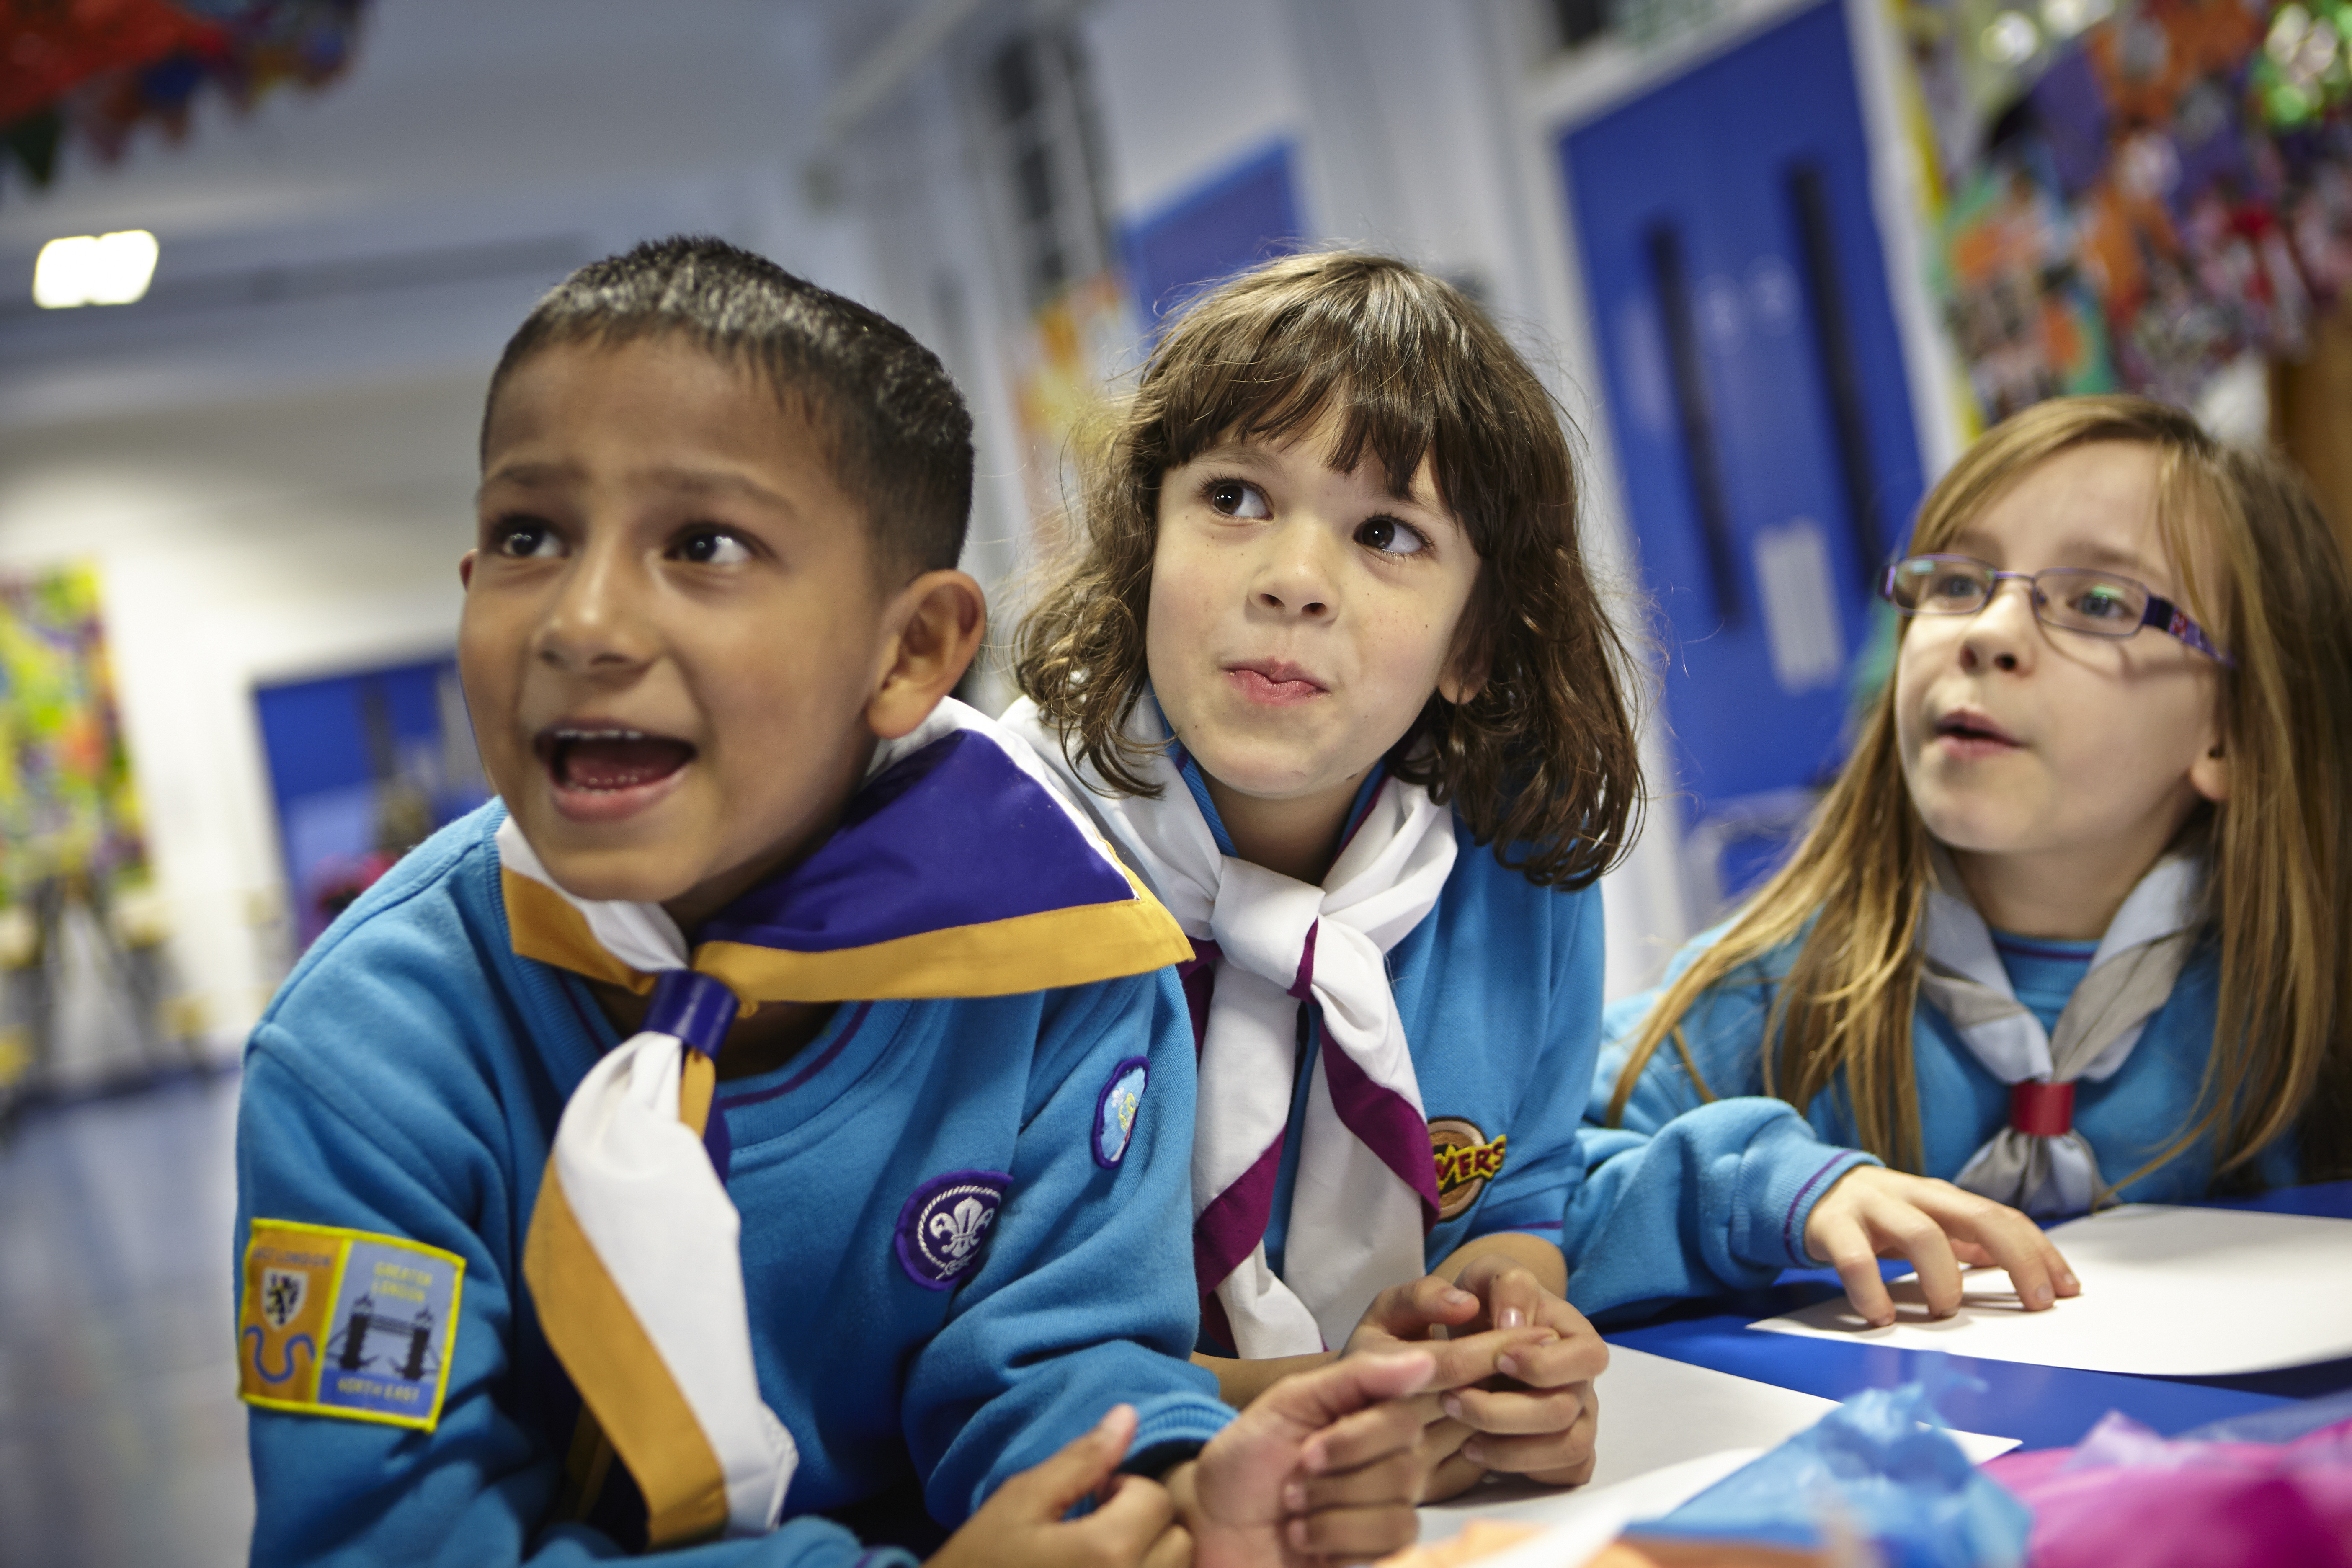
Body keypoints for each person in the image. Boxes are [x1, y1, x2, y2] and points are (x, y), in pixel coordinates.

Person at [232, 236, 1439, 1568]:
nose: (581, 622)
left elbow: (1058, 1354)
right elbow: (390, 1543)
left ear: (911, 650)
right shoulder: (370, 1053)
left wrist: (1161, 1484)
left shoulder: (1054, 945)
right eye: (529, 535)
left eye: (702, 544)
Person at [1004, 250, 1640, 1501]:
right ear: (1144, 550)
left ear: (1474, 645)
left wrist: (1497, 1329)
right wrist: (1347, 1408)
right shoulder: (1001, 873)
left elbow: (1523, 1191)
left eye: (1389, 533)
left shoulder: (1519, 872)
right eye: (1236, 498)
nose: (1294, 578)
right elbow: (996, 1353)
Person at [1566, 394, 2352, 1327]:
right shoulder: (1785, 988)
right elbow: (1520, 1196)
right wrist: (1766, 1190)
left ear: (2233, 735)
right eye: (1957, 583)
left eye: (2099, 602)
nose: (1986, 633)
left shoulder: (2307, 1001)